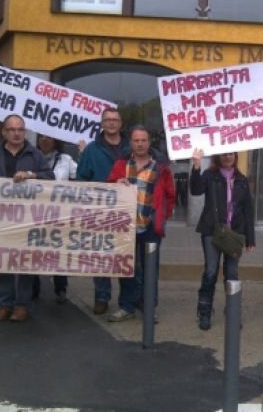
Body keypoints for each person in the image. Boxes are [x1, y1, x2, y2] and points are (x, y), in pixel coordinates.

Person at [0, 114, 55, 322]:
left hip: (27, 218)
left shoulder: (35, 154)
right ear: (3, 132)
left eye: (20, 129)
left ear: (25, 132)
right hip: (1, 215)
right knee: (3, 260)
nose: (16, 133)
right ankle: (4, 303)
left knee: (24, 262)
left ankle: (22, 305)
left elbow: (50, 178)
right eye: (12, 129)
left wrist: (31, 175)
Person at [106, 125, 175, 323]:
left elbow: (170, 196)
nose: (140, 144)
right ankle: (126, 306)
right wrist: (116, 184)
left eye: (143, 140)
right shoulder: (121, 164)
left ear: (149, 142)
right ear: (131, 143)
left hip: (151, 227)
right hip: (126, 227)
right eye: (136, 140)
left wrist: (162, 217)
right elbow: (108, 186)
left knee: (150, 270)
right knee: (126, 268)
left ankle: (148, 307)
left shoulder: (161, 167)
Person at [189, 149, 255, 330]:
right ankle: (204, 311)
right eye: (224, 154)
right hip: (212, 230)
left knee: (232, 274)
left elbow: (248, 210)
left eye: (231, 154)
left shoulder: (241, 180)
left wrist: (250, 237)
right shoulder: (210, 175)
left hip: (235, 233)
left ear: (235, 157)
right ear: (218, 156)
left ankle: (232, 311)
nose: (228, 157)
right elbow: (195, 190)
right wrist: (196, 166)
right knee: (211, 272)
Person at [76, 108, 130, 315]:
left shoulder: (131, 146)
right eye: (107, 120)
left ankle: (127, 300)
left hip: (126, 208)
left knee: (126, 255)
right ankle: (102, 296)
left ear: (121, 123)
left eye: (115, 120)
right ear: (102, 123)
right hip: (99, 209)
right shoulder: (92, 149)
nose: (111, 123)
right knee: (100, 254)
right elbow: (82, 177)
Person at [33, 134, 78, 303]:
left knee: (59, 251)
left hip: (60, 213)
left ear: (55, 140)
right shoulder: (32, 157)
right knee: (34, 250)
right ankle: (33, 287)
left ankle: (61, 288)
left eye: (48, 138)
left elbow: (80, 176)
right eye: (41, 138)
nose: (44, 140)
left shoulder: (65, 159)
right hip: (36, 212)